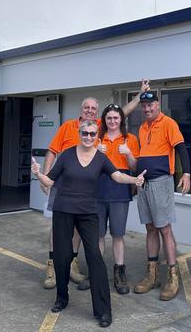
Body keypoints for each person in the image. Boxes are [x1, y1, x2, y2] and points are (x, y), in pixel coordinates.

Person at [32, 120, 146, 327]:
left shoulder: (101, 158)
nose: (88, 137)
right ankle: (61, 297)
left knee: (95, 257)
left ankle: (103, 310)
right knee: (62, 255)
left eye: (93, 134)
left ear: (97, 136)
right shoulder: (66, 155)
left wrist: (134, 180)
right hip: (64, 209)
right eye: (85, 133)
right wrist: (38, 174)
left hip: (88, 213)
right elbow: (50, 181)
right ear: (79, 133)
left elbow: (117, 175)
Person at [40, 80, 149, 290]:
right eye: (86, 108)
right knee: (59, 227)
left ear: (97, 113)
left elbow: (120, 113)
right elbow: (52, 151)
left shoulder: (99, 127)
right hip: (63, 182)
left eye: (93, 109)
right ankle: (53, 266)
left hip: (89, 186)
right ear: (81, 110)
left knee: (81, 229)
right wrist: (46, 177)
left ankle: (72, 264)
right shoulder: (68, 127)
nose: (90, 111)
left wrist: (138, 96)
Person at [133, 91, 191, 301]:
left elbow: (181, 149)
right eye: (144, 106)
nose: (147, 109)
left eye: (151, 105)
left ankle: (173, 276)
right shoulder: (141, 127)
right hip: (144, 184)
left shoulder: (169, 123)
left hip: (161, 182)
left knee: (164, 228)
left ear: (158, 105)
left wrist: (186, 173)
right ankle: (152, 274)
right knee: (150, 228)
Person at [96, 103, 139, 294]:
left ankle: (120, 273)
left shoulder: (130, 139)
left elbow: (135, 167)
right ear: (104, 120)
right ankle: (96, 272)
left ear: (121, 119)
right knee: (97, 234)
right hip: (97, 189)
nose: (112, 121)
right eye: (109, 118)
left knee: (118, 234)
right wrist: (96, 152)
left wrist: (128, 153)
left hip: (119, 190)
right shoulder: (96, 138)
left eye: (116, 118)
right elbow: (85, 162)